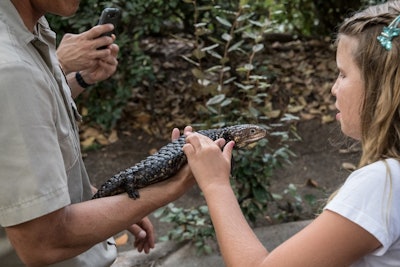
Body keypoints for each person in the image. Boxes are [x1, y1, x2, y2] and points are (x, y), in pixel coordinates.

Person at [183, 1, 400, 266]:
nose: (333, 88)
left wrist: (215, 185)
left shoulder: (384, 184)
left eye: (342, 74)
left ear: (382, 88)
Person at [0, 1, 194, 266]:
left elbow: (38, 138)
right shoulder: (12, 68)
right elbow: (42, 242)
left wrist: (111, 204)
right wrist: (168, 187)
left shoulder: (30, 30)